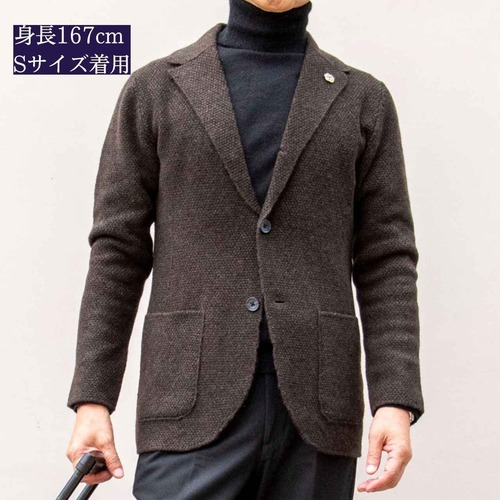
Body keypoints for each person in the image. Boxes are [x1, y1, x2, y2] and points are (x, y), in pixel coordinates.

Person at [65, 0, 425, 498]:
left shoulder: (363, 100)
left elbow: (387, 258)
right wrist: (93, 399)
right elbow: (117, 250)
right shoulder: (156, 89)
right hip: (188, 405)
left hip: (318, 414)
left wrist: (394, 400)